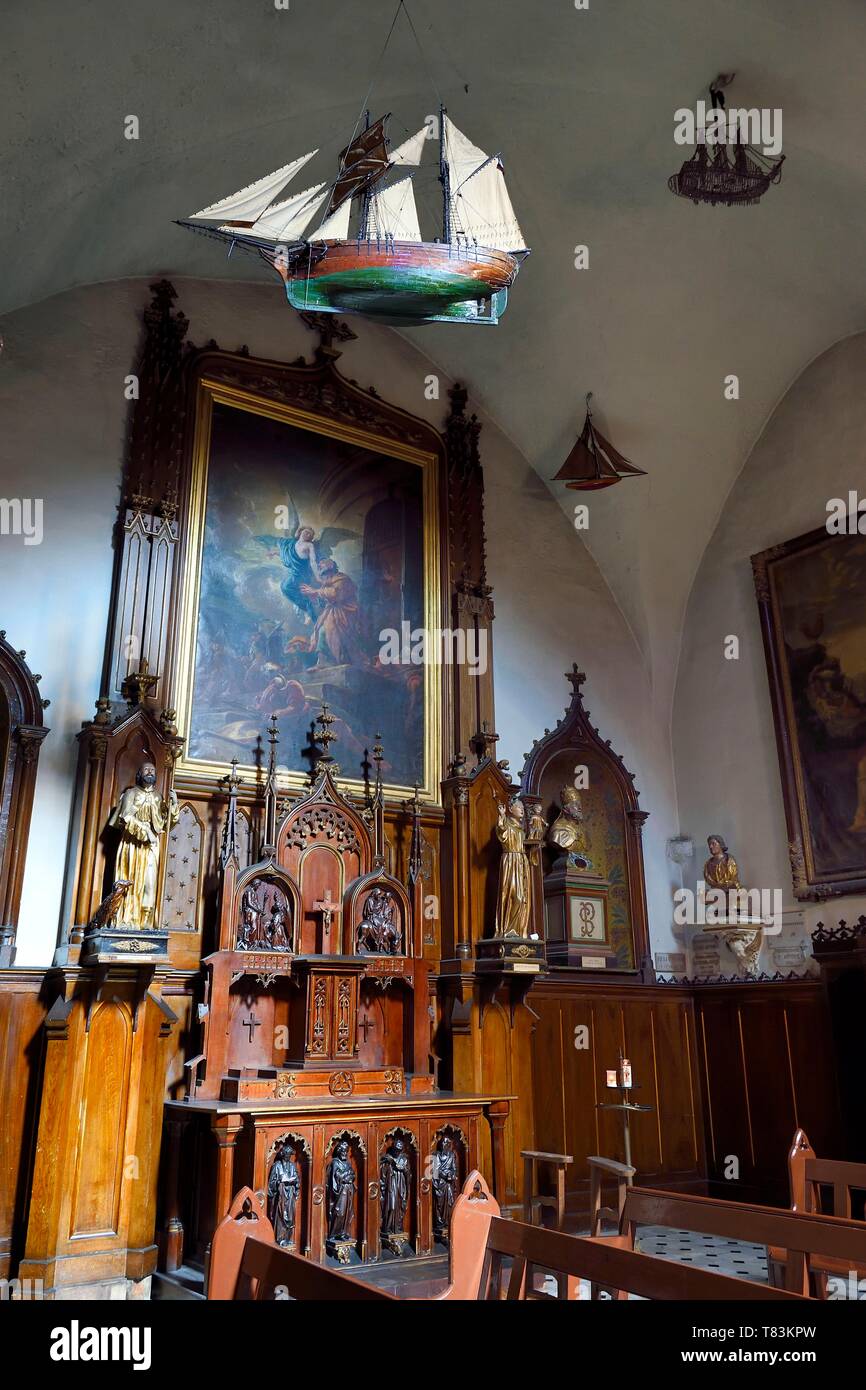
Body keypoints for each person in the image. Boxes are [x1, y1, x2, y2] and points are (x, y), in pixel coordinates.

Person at [107, 762, 178, 928]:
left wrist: (174, 804)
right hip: (132, 843)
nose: (150, 772)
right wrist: (145, 830)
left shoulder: (158, 797)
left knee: (149, 882)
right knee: (131, 879)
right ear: (139, 774)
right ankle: (126, 920)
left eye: (153, 769)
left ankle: (146, 922)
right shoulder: (131, 793)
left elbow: (166, 824)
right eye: (146, 769)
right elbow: (125, 817)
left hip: (151, 846)